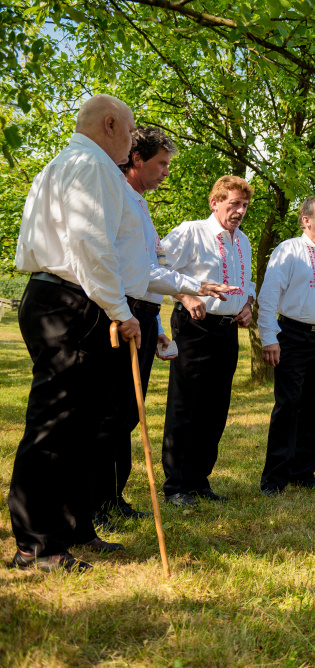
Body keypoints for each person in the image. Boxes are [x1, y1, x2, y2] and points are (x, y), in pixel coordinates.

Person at [9, 94, 140, 572]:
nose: (133, 141)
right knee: (57, 422)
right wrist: (120, 309)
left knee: (83, 426)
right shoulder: (91, 165)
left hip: (63, 298)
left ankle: (73, 527)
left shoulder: (62, 164)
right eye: (130, 130)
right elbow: (90, 245)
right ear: (110, 124)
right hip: (70, 302)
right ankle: (37, 544)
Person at [92, 127, 232, 524]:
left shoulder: (140, 204)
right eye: (162, 163)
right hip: (122, 315)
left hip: (143, 315)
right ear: (137, 159)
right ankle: (95, 503)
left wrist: (156, 319)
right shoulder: (119, 197)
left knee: (126, 415)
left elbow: (150, 268)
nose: (166, 172)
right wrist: (192, 287)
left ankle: (112, 498)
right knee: (110, 414)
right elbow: (132, 269)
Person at [159, 175, 256, 507]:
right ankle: (175, 485)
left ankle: (199, 479)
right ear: (215, 203)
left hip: (227, 330)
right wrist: (186, 296)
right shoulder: (191, 232)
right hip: (194, 327)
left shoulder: (243, 241)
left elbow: (247, 282)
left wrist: (247, 305)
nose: (240, 211)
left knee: (215, 407)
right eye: (234, 204)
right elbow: (158, 267)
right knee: (186, 405)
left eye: (244, 205)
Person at [256, 196, 315, 495]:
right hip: (293, 334)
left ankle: (304, 473)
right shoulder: (288, 250)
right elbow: (269, 296)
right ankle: (274, 478)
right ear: (306, 220)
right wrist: (269, 337)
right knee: (288, 404)